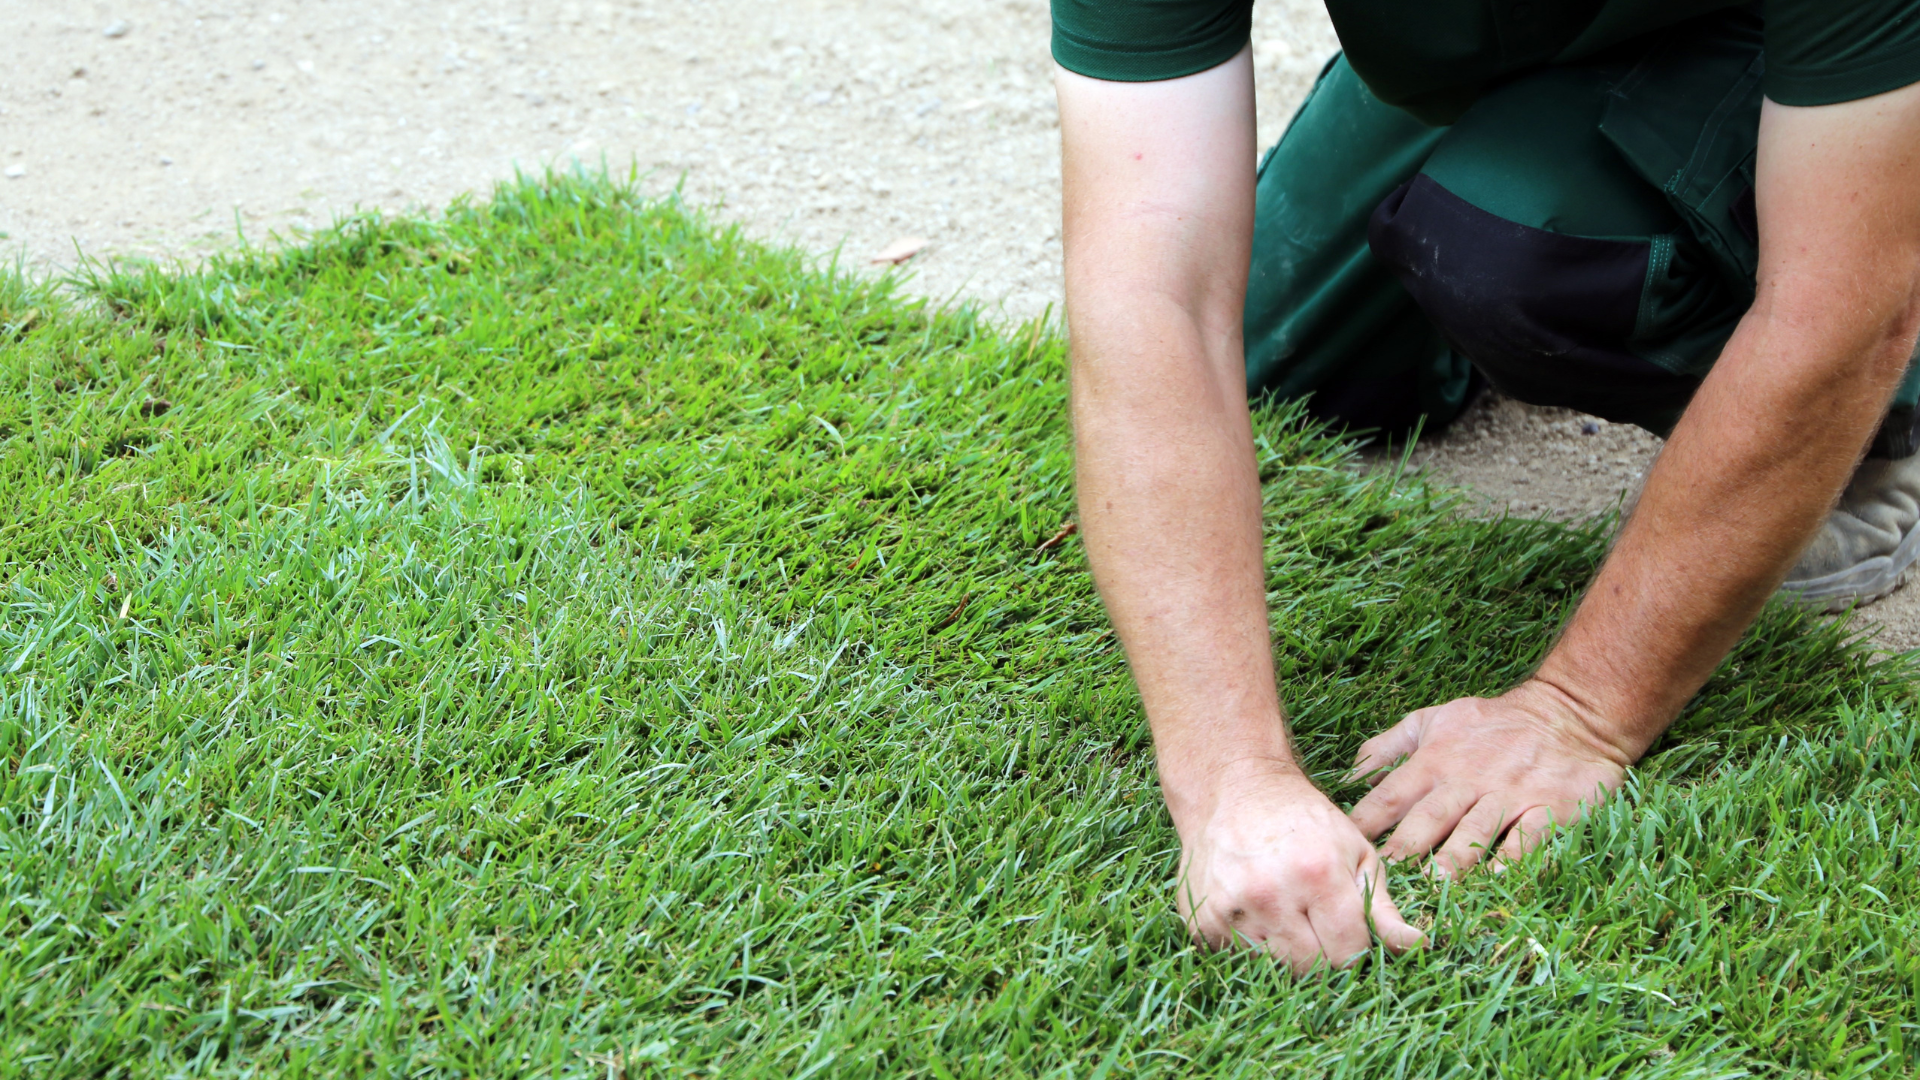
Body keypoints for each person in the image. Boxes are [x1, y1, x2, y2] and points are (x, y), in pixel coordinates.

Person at [1051, 0, 1920, 973]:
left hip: (1843, 58)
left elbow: (1840, 312)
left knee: (1519, 251)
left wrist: (1578, 712)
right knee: (1278, 340)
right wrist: (1228, 780)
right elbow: (1150, 287)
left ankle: (1883, 423)